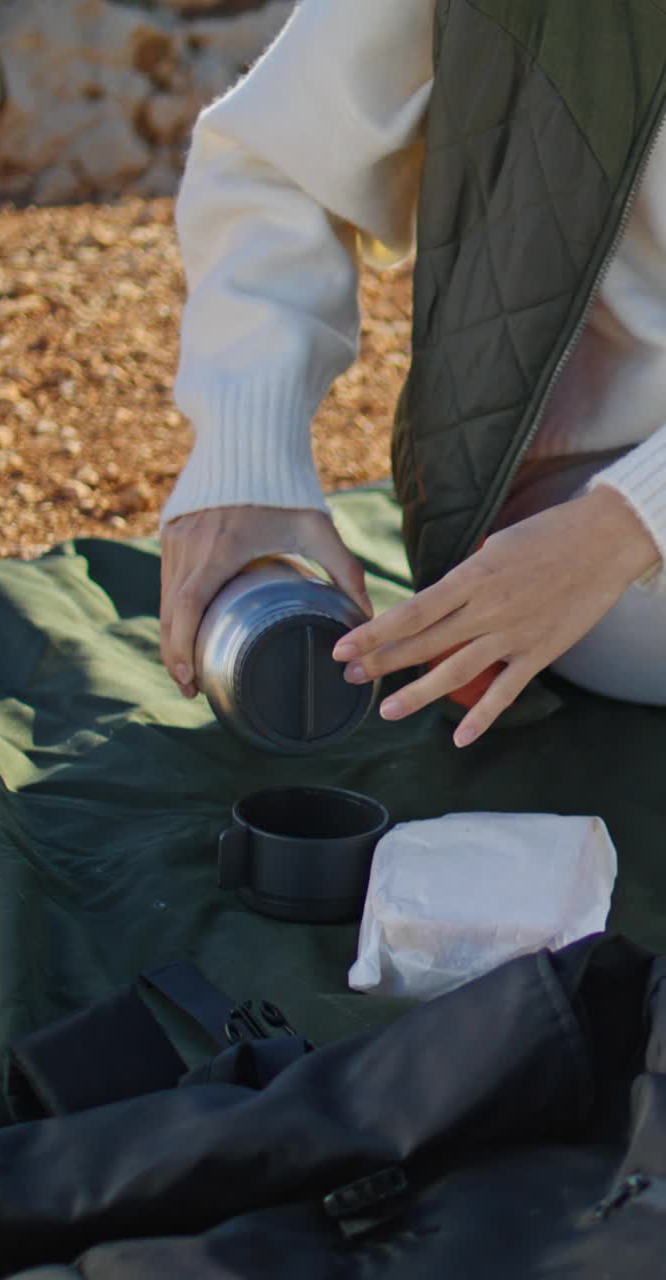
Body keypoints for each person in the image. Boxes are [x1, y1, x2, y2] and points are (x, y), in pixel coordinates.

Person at [159, 0, 666, 749]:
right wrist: (245, 456)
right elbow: (278, 158)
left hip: (602, 554)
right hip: (549, 529)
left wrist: (627, 527)